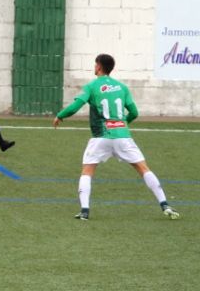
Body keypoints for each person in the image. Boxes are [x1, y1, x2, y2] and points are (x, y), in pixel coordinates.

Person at [54, 53, 180, 221]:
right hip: (123, 136)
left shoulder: (92, 86)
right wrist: (122, 124)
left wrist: (60, 115)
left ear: (98, 66)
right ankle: (165, 205)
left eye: (95, 64)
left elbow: (76, 106)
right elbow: (134, 113)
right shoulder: (122, 87)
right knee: (143, 169)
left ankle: (84, 211)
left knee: (87, 171)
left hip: (101, 137)